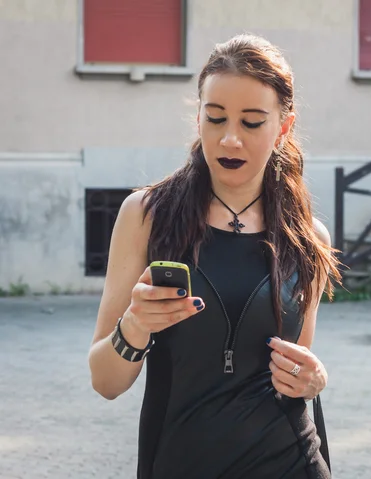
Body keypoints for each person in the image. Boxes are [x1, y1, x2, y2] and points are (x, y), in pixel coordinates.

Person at [88, 33, 341, 479]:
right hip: (180, 464)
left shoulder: (306, 237)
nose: (229, 139)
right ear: (199, 116)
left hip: (290, 463)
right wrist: (136, 325)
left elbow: (297, 367)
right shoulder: (146, 216)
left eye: (251, 122)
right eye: (216, 117)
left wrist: (315, 379)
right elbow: (106, 383)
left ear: (283, 128)